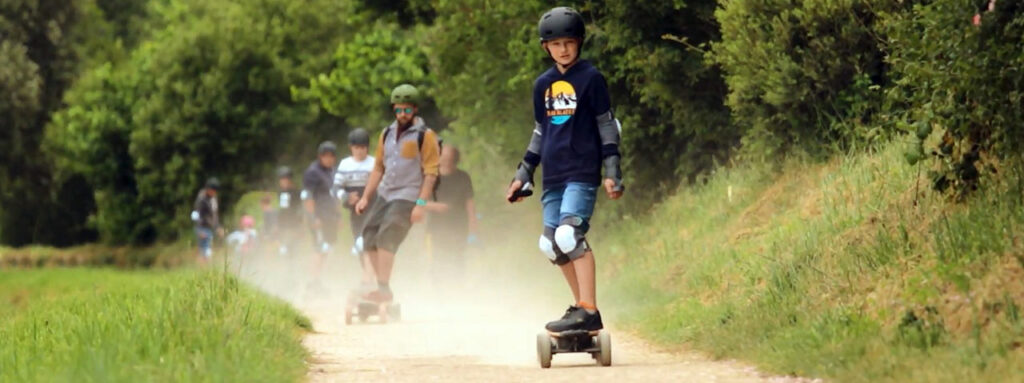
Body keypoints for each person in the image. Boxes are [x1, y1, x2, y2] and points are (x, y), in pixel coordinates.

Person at [506, 7, 625, 333]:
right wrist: (523, 174)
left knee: (569, 234)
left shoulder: (591, 78)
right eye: (556, 44)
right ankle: (580, 309)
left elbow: (607, 125)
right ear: (546, 47)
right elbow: (540, 133)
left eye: (569, 42)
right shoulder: (542, 85)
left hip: (582, 172)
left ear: (579, 43)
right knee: (550, 244)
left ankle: (589, 308)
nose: (563, 49)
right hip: (553, 176)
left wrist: (612, 168)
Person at [355, 84, 441, 303]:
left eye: (407, 110)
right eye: (399, 110)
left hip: (409, 195)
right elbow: (378, 168)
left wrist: (421, 203)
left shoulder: (425, 136)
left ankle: (383, 289)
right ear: (394, 109)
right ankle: (381, 285)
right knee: (369, 235)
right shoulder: (386, 133)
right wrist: (366, 196)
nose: (402, 115)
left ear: (415, 109)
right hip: (386, 192)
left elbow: (431, 172)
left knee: (387, 235)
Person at [425, 145, 478, 290]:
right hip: (435, 230)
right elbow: (418, 201)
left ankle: (457, 293)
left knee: (457, 262)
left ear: (456, 160)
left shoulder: (463, 177)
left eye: (450, 158)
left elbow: (470, 204)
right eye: (444, 157)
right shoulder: (430, 177)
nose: (447, 160)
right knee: (436, 263)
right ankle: (437, 294)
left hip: (459, 229)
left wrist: (473, 230)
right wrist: (434, 206)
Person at [334, 128, 377, 287]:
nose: (360, 151)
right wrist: (346, 197)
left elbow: (381, 184)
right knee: (360, 244)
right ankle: (368, 277)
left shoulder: (374, 163)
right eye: (356, 148)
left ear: (367, 148)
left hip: (373, 207)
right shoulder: (345, 165)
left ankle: (368, 280)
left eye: (363, 148)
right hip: (356, 212)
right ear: (351, 148)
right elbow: (336, 188)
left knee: (370, 243)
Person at [303, 141, 341, 280]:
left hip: (330, 217)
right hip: (319, 217)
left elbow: (335, 196)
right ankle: (312, 282)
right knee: (319, 249)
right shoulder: (313, 172)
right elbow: (308, 197)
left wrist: (338, 216)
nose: (329, 159)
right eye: (325, 156)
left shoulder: (333, 172)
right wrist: (313, 217)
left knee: (328, 250)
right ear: (320, 156)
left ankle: (320, 280)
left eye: (331, 156)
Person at [193, 177, 224, 265]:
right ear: (208, 189)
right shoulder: (201, 199)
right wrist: (199, 229)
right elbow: (196, 214)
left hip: (210, 227)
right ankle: (202, 271)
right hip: (202, 227)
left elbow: (214, 214)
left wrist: (218, 227)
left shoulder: (213, 199)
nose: (214, 192)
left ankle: (206, 270)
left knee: (208, 251)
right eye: (213, 190)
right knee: (204, 251)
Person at [275, 166, 302, 255]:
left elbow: (300, 209)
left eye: (286, 179)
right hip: (284, 226)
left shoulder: (296, 192)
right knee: (284, 251)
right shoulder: (281, 192)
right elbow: (282, 210)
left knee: (293, 250)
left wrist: (298, 225)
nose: (284, 182)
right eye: (282, 180)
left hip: (294, 225)